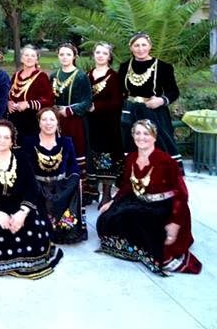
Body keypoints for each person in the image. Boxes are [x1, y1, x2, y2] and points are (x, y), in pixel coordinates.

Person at [97, 120, 202, 274]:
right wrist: (112, 202)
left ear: (154, 137)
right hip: (139, 202)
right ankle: (135, 249)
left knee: (150, 230)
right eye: (137, 133)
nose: (141, 137)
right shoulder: (131, 158)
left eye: (146, 133)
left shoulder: (166, 161)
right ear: (133, 136)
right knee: (106, 220)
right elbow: (127, 186)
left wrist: (175, 222)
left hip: (165, 206)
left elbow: (181, 194)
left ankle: (149, 249)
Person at [0, 120, 64, 278]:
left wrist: (22, 213)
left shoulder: (21, 157)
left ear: (12, 141)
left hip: (20, 204)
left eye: (6, 137)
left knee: (33, 230)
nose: (1, 140)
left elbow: (32, 187)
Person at [118, 32, 182, 168]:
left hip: (153, 112)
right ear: (131, 47)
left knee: (158, 144)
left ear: (150, 46)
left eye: (144, 45)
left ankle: (158, 178)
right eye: (136, 45)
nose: (140, 49)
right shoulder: (124, 66)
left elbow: (173, 91)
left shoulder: (163, 67)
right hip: (130, 112)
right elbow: (119, 91)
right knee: (129, 144)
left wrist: (161, 100)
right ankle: (132, 176)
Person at [31, 108, 87, 243]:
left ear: (57, 122)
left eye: (52, 119)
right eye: (44, 119)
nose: (48, 123)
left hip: (62, 188)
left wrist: (68, 187)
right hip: (39, 188)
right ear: (39, 122)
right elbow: (27, 170)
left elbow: (73, 167)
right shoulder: (29, 142)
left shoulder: (66, 142)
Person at [50, 43, 93, 202]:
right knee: (57, 152)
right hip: (56, 122)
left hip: (74, 122)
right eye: (62, 54)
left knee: (76, 153)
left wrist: (69, 110)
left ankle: (80, 192)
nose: (65, 57)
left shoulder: (81, 76)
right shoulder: (53, 75)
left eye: (68, 54)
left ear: (74, 56)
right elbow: (49, 97)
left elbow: (87, 101)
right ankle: (59, 189)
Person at [86, 43, 124, 208]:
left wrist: (97, 106)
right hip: (89, 122)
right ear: (93, 55)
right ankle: (91, 191)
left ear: (109, 57)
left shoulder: (114, 77)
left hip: (108, 124)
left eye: (104, 53)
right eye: (98, 52)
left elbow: (117, 101)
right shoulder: (87, 75)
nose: (100, 55)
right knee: (91, 155)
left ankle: (106, 194)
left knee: (105, 157)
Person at [7, 45, 54, 150]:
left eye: (32, 56)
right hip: (14, 120)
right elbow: (10, 94)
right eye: (26, 55)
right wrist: (8, 103)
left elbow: (49, 100)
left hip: (32, 121)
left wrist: (28, 104)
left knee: (30, 151)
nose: (29, 58)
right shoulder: (16, 75)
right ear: (21, 58)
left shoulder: (41, 77)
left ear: (37, 59)